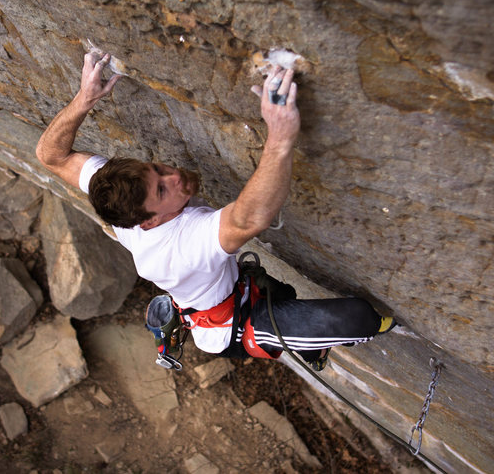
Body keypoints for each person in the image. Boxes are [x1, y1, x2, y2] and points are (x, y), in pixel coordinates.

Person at [36, 52, 394, 370]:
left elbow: (50, 156)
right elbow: (250, 218)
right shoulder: (183, 246)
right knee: (360, 317)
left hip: (223, 292)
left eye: (157, 169)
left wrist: (85, 99)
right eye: (163, 189)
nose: (174, 176)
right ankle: (312, 349)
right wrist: (281, 136)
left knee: (281, 292)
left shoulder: (125, 201)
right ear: (151, 220)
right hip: (233, 328)